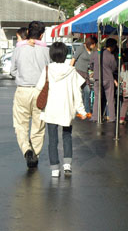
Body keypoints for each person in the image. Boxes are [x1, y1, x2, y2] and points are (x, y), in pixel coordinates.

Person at [36, 42, 86, 177]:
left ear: (51, 54)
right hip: (66, 108)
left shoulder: (47, 69)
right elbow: (77, 92)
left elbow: (39, 87)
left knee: (52, 139)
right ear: (65, 54)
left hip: (50, 109)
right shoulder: (71, 70)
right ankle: (67, 165)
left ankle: (54, 169)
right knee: (67, 135)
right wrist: (81, 110)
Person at [10, 21, 50, 168]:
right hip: (40, 92)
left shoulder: (18, 50)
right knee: (38, 126)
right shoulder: (46, 51)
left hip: (22, 90)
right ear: (42, 35)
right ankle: (35, 155)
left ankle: (26, 149)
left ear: (27, 32)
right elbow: (49, 70)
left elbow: (12, 70)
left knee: (20, 124)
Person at [89, 38, 118, 123]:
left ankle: (95, 117)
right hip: (108, 79)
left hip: (98, 78)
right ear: (112, 47)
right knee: (110, 99)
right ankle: (112, 117)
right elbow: (114, 68)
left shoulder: (96, 53)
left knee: (97, 98)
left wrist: (95, 70)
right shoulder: (111, 56)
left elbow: (91, 64)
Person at [70, 36, 97, 119]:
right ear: (90, 44)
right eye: (93, 44)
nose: (95, 45)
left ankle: (86, 111)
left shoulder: (93, 51)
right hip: (78, 72)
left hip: (85, 74)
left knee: (87, 91)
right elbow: (74, 58)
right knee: (78, 92)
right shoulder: (81, 48)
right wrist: (70, 69)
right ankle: (79, 110)